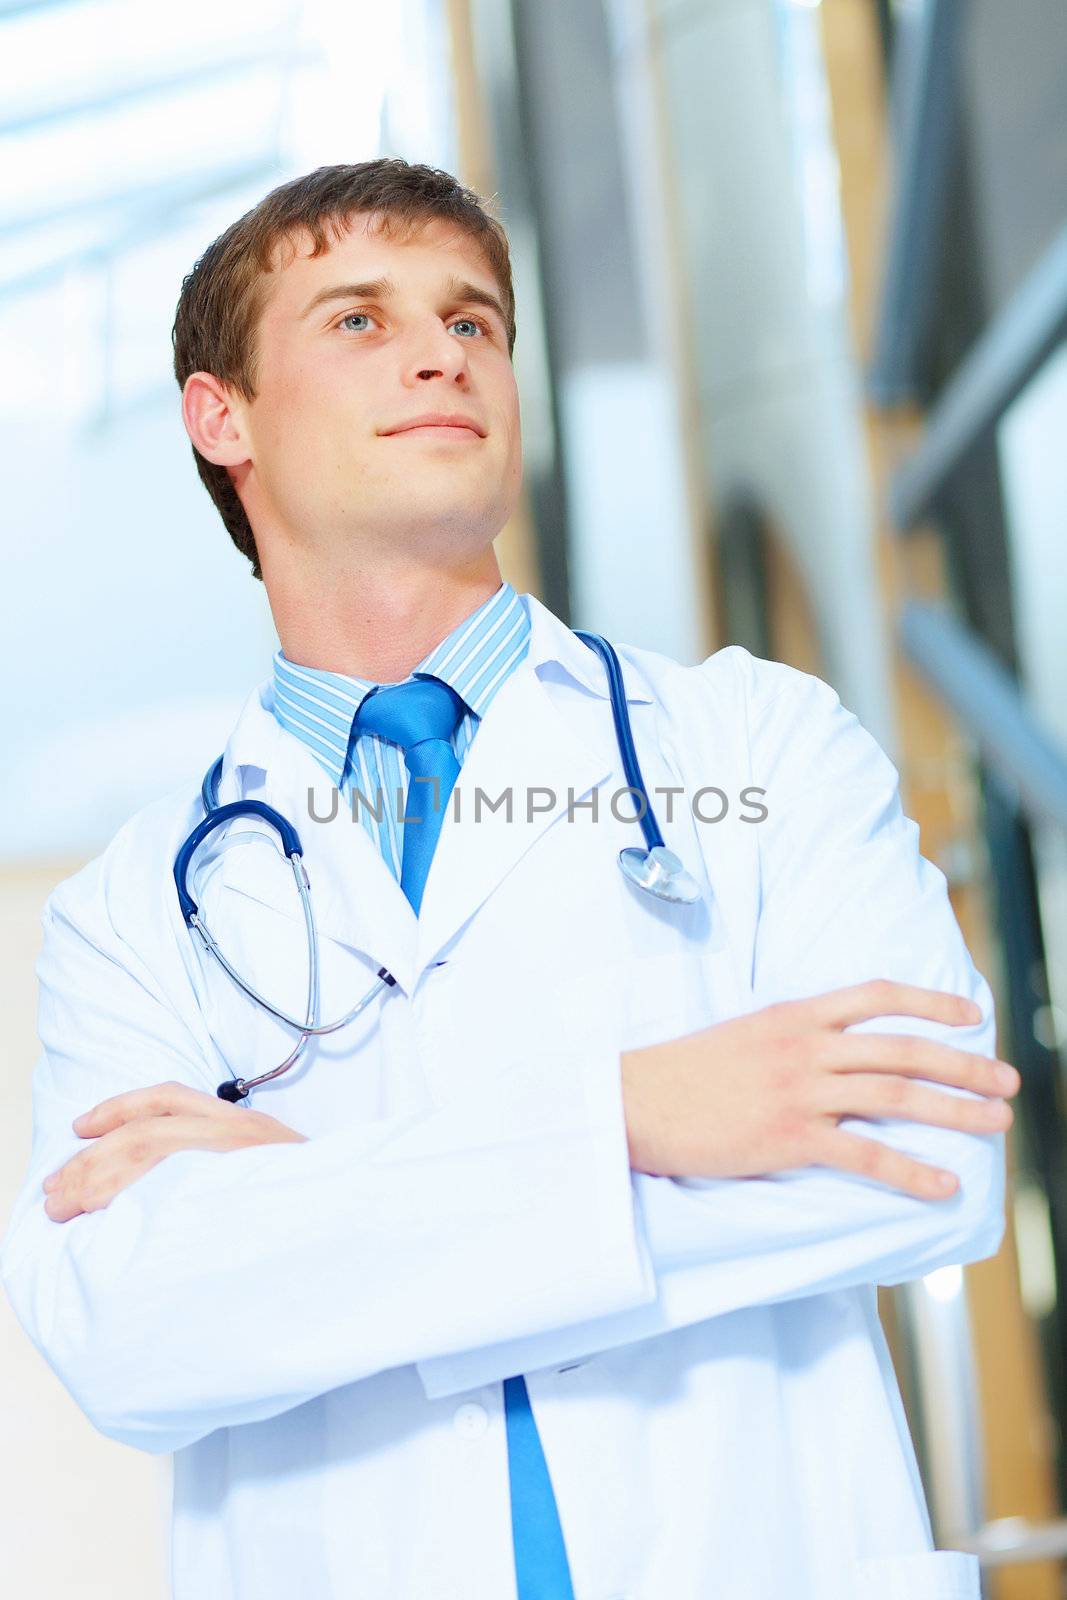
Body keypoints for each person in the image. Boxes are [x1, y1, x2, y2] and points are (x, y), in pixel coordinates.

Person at [0, 159, 1018, 1600]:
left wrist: (311, 1201)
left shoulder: (755, 745)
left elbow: (934, 1162)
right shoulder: (133, 909)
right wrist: (638, 1115)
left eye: (474, 321)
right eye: (358, 319)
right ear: (219, 415)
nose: (441, 352)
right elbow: (126, 1332)